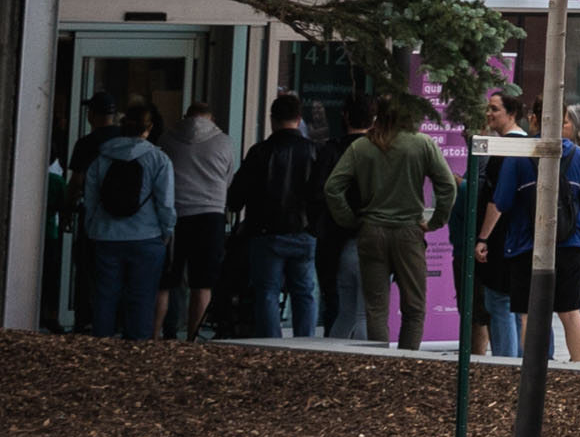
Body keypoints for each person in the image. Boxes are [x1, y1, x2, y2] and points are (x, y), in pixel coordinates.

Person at [474, 105, 580, 363]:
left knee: (531, 314)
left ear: (534, 120)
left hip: (527, 245)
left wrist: (484, 237)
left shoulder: (520, 154)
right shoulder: (576, 154)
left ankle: (535, 370)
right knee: (571, 312)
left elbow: (501, 201)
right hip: (572, 244)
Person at [324, 95, 447, 349]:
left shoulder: (363, 146)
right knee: (414, 308)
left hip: (371, 231)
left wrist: (350, 219)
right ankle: (408, 362)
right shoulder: (422, 144)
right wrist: (435, 221)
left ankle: (381, 366)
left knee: (376, 309)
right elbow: (447, 186)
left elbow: (333, 188)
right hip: (409, 232)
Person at [68, 101, 172, 339]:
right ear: (149, 128)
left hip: (105, 235)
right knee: (142, 297)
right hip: (147, 237)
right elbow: (165, 202)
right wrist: (166, 232)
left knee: (105, 296)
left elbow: (91, 198)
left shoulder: (101, 157)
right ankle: (135, 352)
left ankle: (103, 348)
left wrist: (92, 227)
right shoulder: (158, 159)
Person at [231, 94, 327, 341]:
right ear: (299, 119)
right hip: (304, 231)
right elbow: (322, 194)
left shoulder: (260, 152)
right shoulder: (314, 151)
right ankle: (305, 344)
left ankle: (270, 343)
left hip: (266, 233)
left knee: (266, 293)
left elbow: (236, 196)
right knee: (304, 292)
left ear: (272, 120)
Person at [450, 85, 525, 359]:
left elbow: (496, 199)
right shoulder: (525, 146)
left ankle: (505, 363)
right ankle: (513, 359)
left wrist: (482, 238)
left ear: (512, 113)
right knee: (511, 305)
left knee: (499, 303)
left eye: (495, 109)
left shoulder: (505, 149)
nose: (488, 113)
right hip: (517, 238)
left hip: (501, 239)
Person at [161, 93, 240, 342]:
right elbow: (228, 179)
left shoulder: (167, 139)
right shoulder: (224, 142)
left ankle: (158, 334)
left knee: (166, 282)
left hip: (176, 215)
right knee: (202, 283)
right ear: (211, 119)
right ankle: (193, 340)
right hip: (210, 217)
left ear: (186, 116)